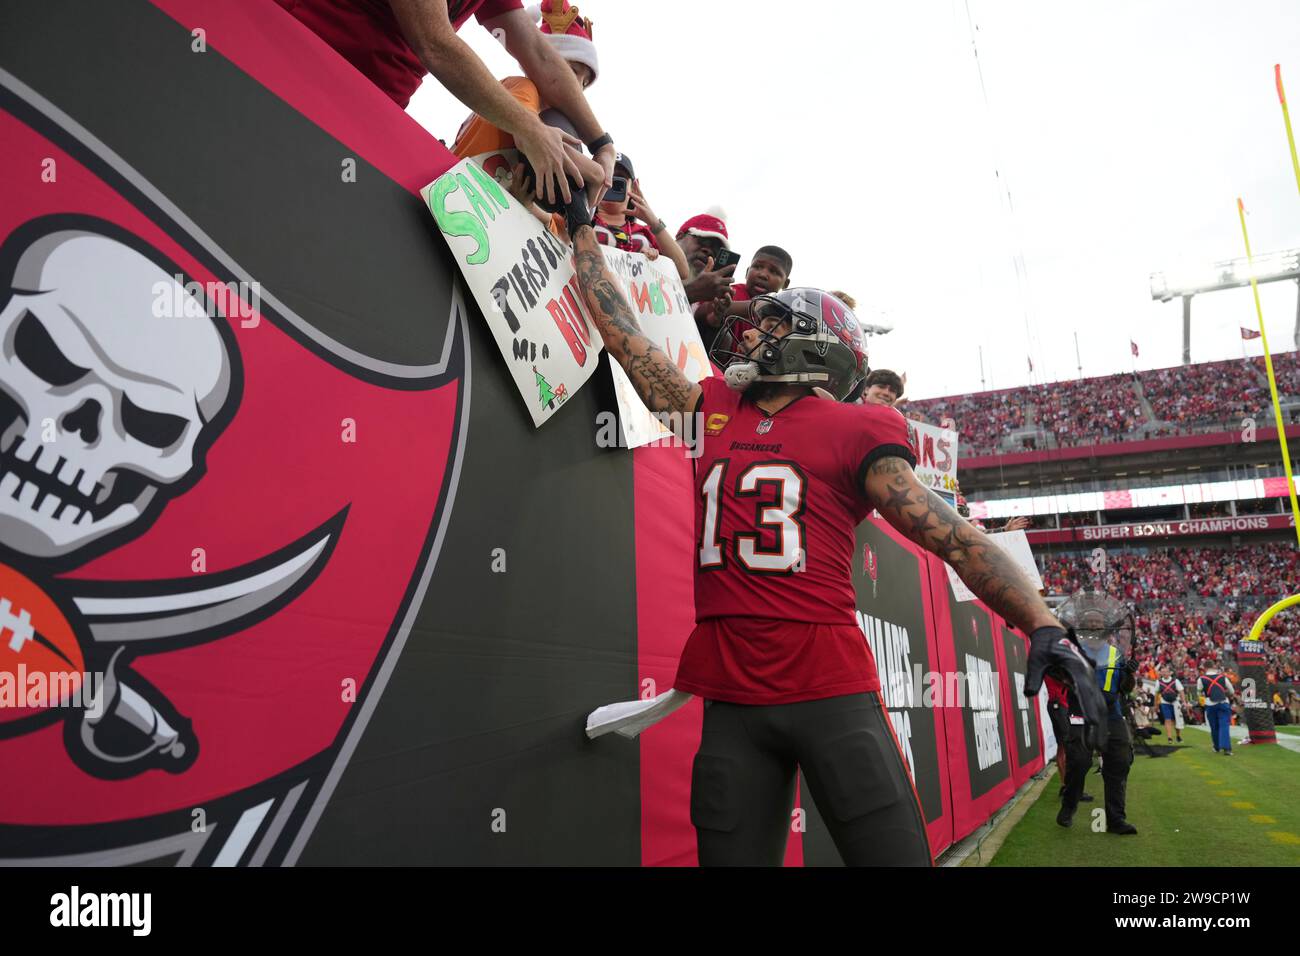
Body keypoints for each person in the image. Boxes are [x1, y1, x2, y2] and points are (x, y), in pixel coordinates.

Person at [566, 211, 1107, 865]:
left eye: (774, 325)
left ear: (815, 345)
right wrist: (581, 234)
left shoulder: (856, 429)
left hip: (829, 691)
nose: (753, 333)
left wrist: (1043, 623)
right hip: (730, 693)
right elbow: (624, 337)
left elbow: (954, 538)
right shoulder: (709, 408)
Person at [277, 0, 616, 206]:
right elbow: (434, 41)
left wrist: (602, 144)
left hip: (370, 114)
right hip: (286, 76)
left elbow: (538, 52)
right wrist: (530, 128)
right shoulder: (521, 94)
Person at [1092, 635, 1139, 835]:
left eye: (1098, 623)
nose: (1095, 627)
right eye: (1090, 623)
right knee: (1078, 761)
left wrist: (1129, 673)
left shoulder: (1115, 654)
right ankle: (1069, 800)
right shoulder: (1076, 650)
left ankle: (1116, 819)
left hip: (1113, 714)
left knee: (1120, 762)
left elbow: (1127, 688)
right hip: (1083, 712)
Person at [1047, 674, 1093, 827]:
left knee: (1067, 748)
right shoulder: (1053, 661)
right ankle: (1067, 787)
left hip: (1063, 704)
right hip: (1058, 704)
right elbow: (1065, 679)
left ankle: (1068, 787)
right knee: (1068, 748)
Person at [1156, 666, 1184, 743]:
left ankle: (1178, 736)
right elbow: (1156, 694)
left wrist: (1184, 702)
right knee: (1167, 720)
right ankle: (1169, 738)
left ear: (1169, 673)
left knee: (1176, 721)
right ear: (1161, 673)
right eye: (1163, 672)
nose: (1164, 673)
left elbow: (1181, 691)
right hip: (1165, 702)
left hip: (1175, 702)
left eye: (1166, 672)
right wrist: (1156, 706)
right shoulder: (1158, 682)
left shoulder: (1176, 681)